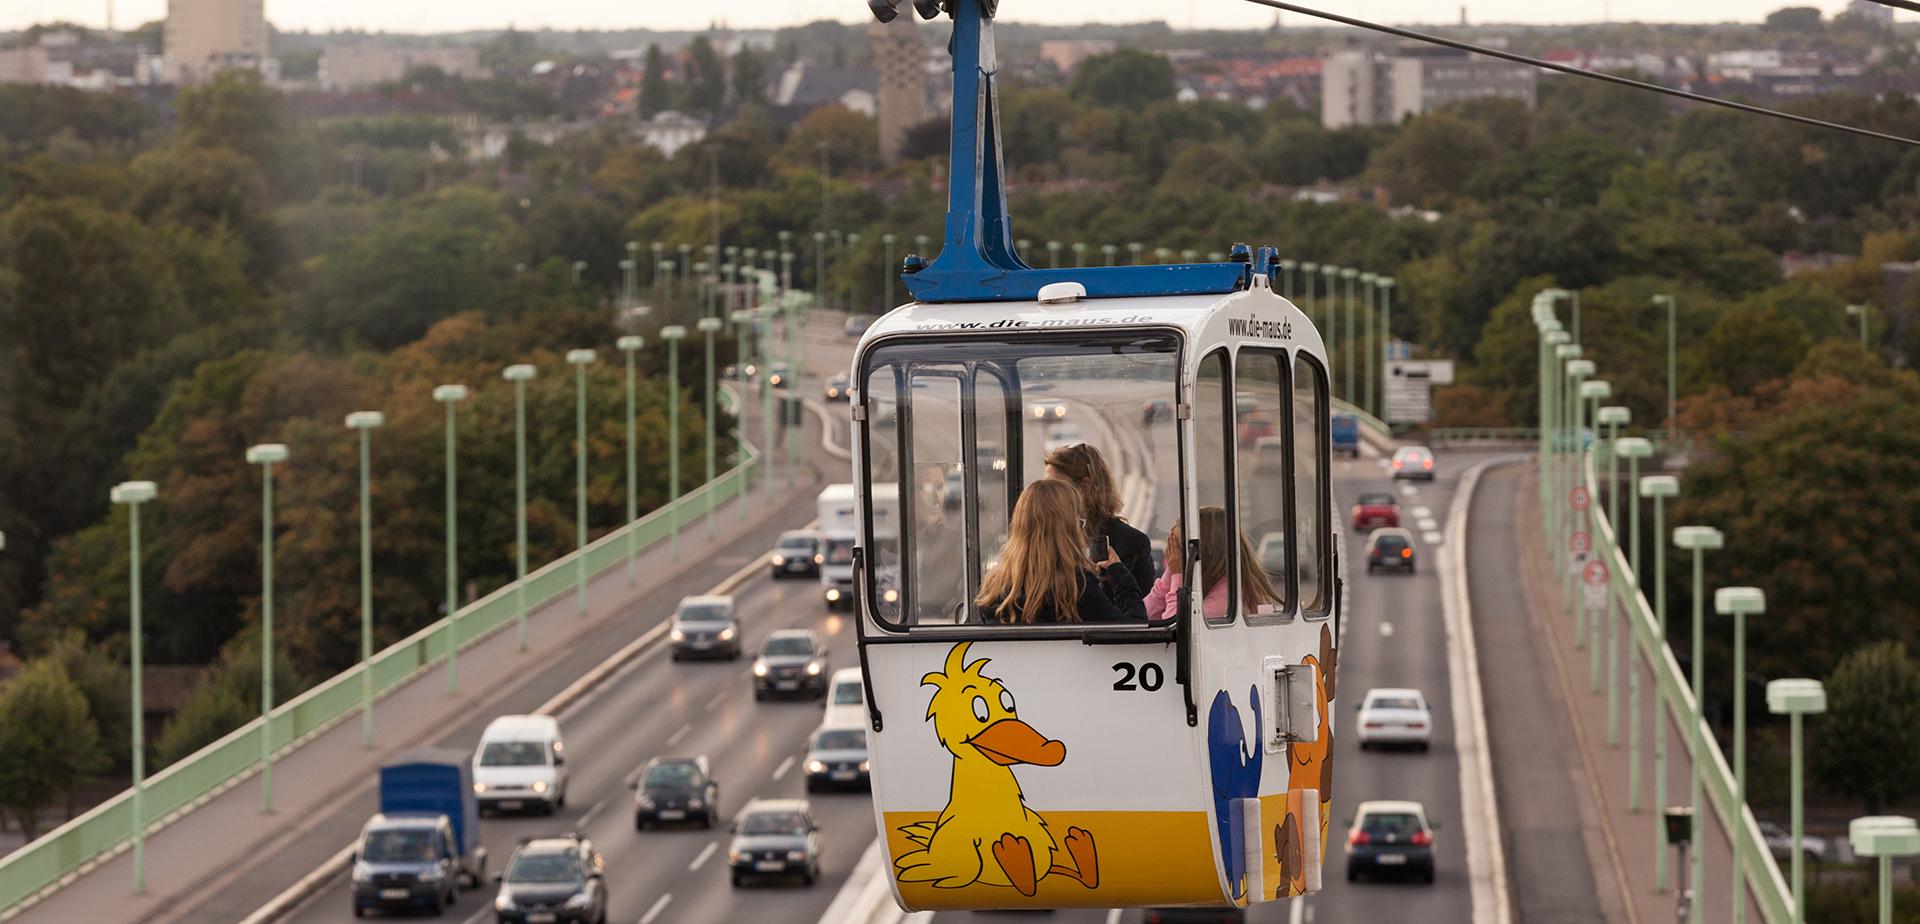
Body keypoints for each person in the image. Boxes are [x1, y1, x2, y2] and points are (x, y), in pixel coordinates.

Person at [976, 479, 1146, 625]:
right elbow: (1134, 630)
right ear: (1068, 531)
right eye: (1079, 523)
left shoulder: (994, 587)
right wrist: (1119, 573)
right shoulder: (1076, 587)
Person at [1044, 442, 1156, 594]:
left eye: (1056, 487)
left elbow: (1144, 607)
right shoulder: (1043, 536)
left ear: (1084, 486)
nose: (1047, 494)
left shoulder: (1131, 542)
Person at [1145, 507, 1283, 622]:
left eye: (1179, 549)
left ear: (1203, 550)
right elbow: (1146, 615)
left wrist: (1177, 574)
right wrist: (1171, 570)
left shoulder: (1228, 594)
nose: (1174, 555)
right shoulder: (1212, 581)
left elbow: (1179, 627)